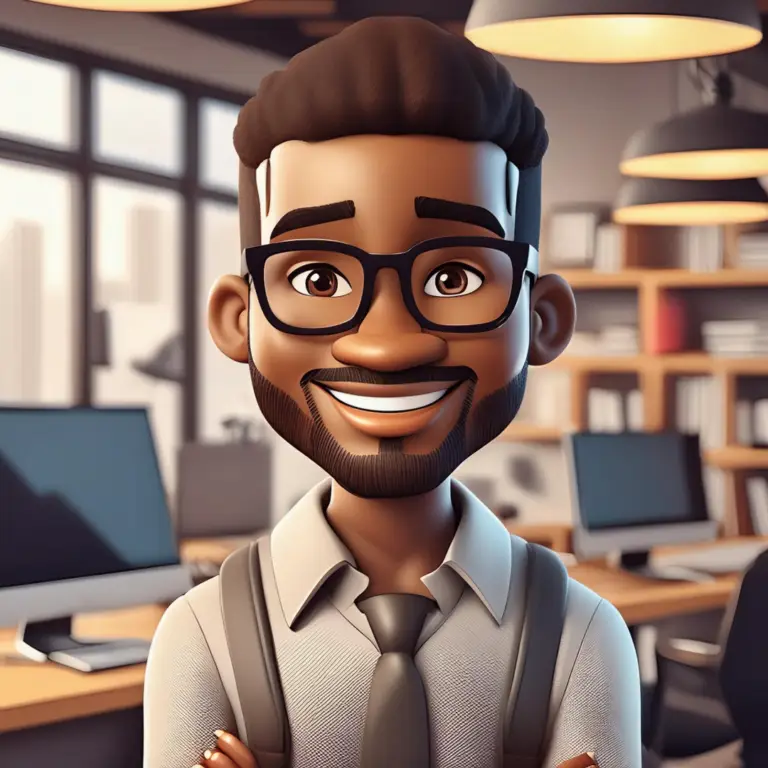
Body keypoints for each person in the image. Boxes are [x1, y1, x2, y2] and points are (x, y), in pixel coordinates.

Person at [143, 16, 641, 768]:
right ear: (239, 318)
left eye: (453, 278)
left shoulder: (581, 636)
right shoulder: (203, 634)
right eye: (317, 278)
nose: (386, 343)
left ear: (543, 319)